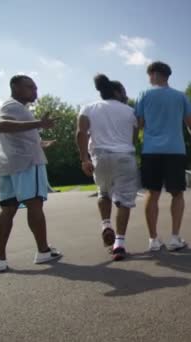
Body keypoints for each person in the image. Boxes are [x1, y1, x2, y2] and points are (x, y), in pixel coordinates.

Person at [0, 75, 62, 273]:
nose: (35, 91)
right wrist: (39, 123)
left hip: (10, 165)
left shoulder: (18, 109)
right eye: (30, 87)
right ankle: (43, 251)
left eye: (36, 88)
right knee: (35, 204)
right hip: (28, 165)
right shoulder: (12, 106)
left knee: (8, 208)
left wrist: (42, 144)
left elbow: (16, 136)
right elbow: (0, 126)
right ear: (15, 87)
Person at [135, 61, 191, 252]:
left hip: (151, 151)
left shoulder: (144, 95)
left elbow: (140, 124)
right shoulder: (181, 97)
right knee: (177, 193)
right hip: (175, 151)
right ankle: (175, 238)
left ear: (154, 74)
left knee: (152, 194)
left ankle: (153, 240)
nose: (149, 79)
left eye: (149, 75)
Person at [76, 74, 139, 261]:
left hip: (100, 156)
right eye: (124, 92)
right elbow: (134, 139)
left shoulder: (88, 107)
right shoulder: (131, 112)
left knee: (103, 193)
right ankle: (119, 244)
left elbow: (81, 133)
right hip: (125, 156)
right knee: (124, 201)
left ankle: (105, 225)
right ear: (117, 92)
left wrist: (84, 159)